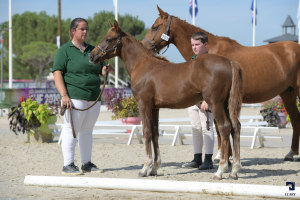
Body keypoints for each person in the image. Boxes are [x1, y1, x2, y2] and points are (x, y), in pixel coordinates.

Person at [52, 17, 112, 175]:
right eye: (82, 29)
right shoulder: (64, 50)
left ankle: (86, 163)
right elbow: (57, 72)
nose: (85, 32)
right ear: (73, 31)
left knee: (87, 130)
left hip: (93, 96)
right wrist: (64, 95)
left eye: (87, 29)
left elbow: (100, 70)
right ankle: (68, 164)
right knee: (71, 129)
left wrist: (105, 71)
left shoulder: (92, 50)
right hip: (74, 95)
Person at [182, 32, 214, 170]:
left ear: (205, 44)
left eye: (197, 44)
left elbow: (212, 82)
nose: (194, 47)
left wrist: (207, 100)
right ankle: (197, 158)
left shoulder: (211, 60)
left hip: (206, 101)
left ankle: (208, 159)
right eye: (192, 45)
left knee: (207, 128)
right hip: (193, 101)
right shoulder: (193, 59)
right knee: (195, 129)